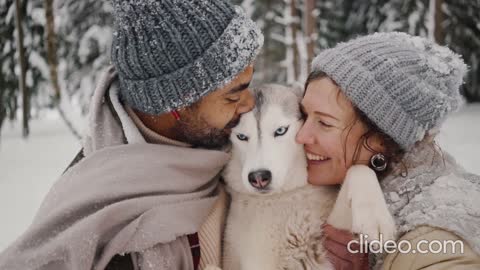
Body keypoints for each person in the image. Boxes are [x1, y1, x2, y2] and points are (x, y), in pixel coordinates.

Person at [0, 0, 263, 269]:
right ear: (179, 102)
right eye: (233, 96)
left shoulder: (236, 144)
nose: (250, 103)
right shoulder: (106, 231)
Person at [296, 32, 480, 269]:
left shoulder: (434, 234)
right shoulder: (351, 183)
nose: (301, 136)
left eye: (325, 123)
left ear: (381, 139)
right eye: (304, 115)